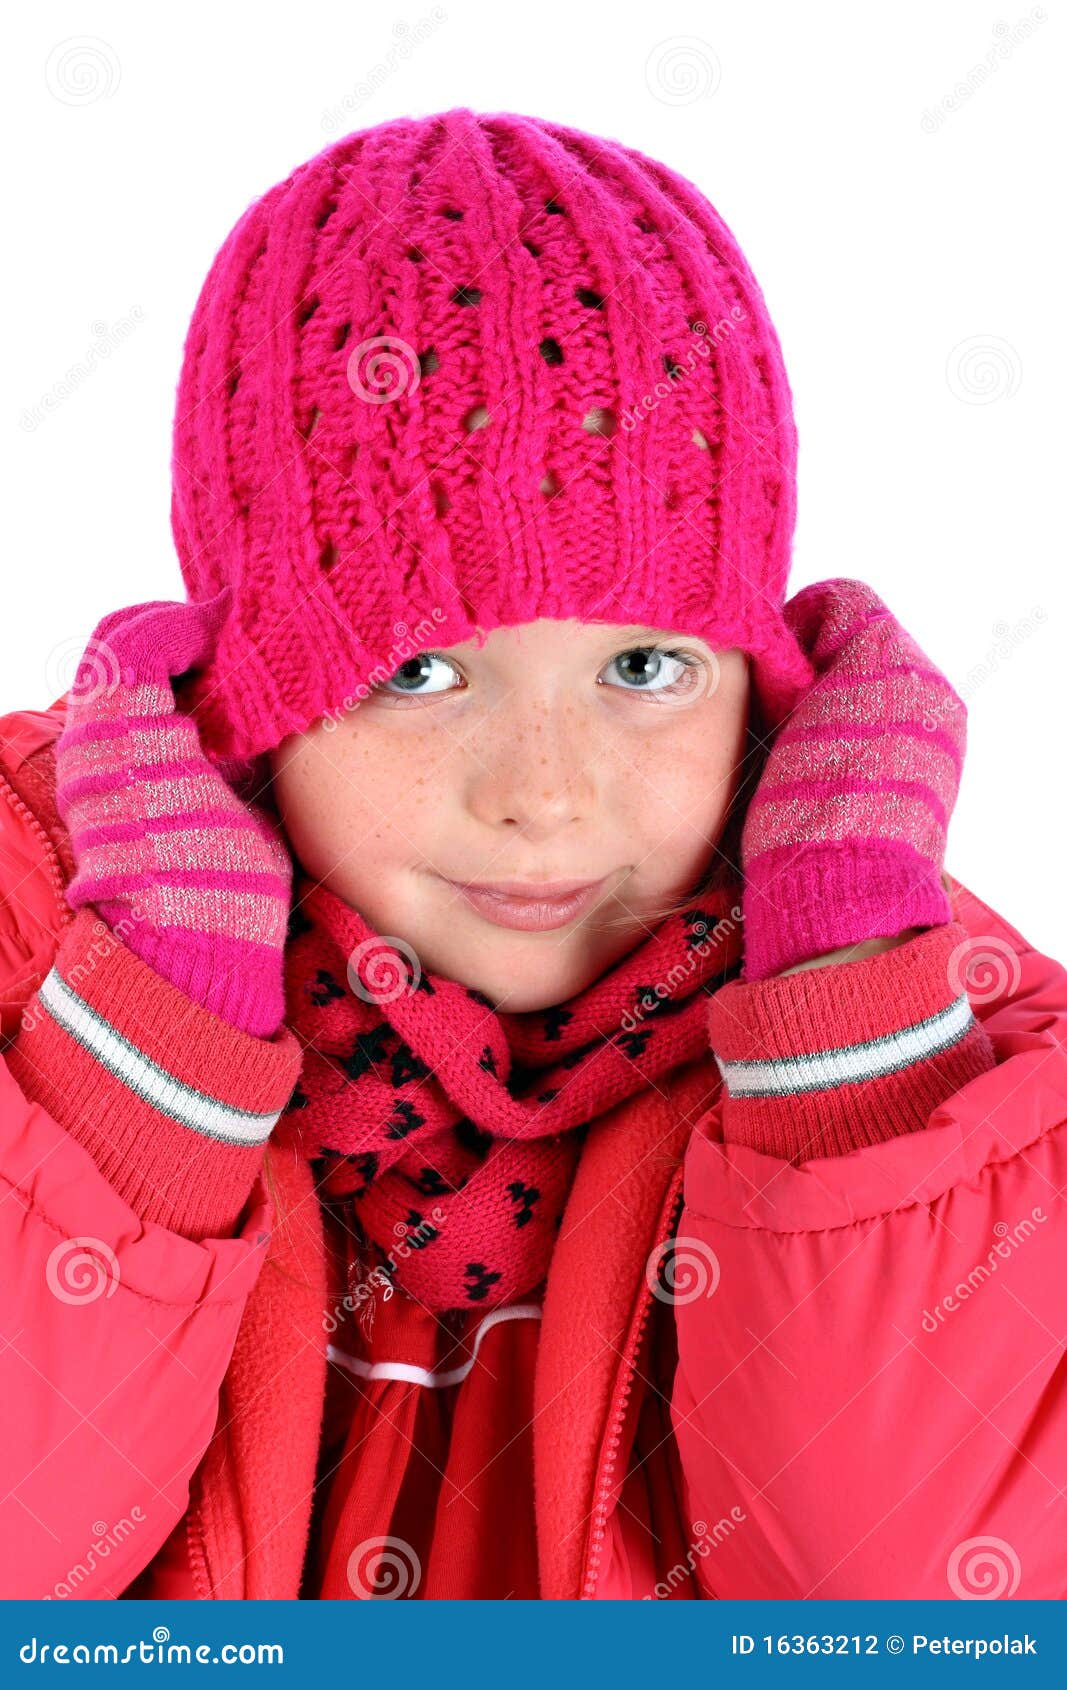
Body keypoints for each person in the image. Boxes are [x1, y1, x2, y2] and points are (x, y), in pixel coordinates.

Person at [1, 106, 1064, 1603]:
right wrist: (139, 1052)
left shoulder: (977, 1085)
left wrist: (853, 1041)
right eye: (421, 672)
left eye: (644, 669)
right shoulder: (33, 981)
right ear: (250, 699)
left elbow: (927, 1604)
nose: (546, 797)